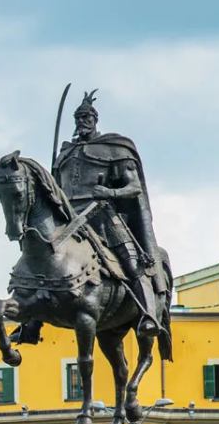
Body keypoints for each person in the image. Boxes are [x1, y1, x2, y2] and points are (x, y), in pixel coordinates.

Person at [53, 90, 164, 335]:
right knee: (43, 254)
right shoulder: (65, 155)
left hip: (102, 216)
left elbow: (134, 187)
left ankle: (148, 315)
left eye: (87, 117)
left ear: (95, 120)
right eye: (78, 118)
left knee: (132, 262)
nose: (82, 122)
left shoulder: (113, 148)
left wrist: (109, 193)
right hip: (69, 220)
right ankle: (31, 323)